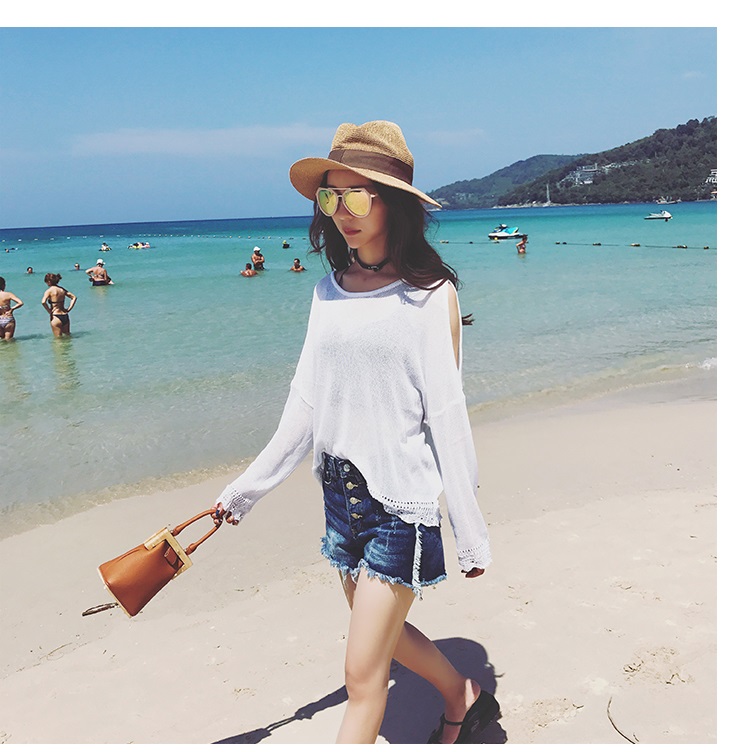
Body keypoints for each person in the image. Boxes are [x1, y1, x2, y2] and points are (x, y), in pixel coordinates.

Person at [212, 121, 498, 744]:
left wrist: (470, 533)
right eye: (330, 197)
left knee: (363, 679)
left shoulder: (430, 296)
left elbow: (447, 416)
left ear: (392, 202)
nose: (342, 211)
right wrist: (244, 491)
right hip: (342, 500)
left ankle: (457, 696)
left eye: (357, 197)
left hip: (401, 508)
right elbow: (305, 406)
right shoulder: (326, 293)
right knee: (384, 642)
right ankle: (461, 693)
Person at [41, 273, 76, 337]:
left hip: (56, 316)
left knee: (58, 340)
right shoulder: (62, 289)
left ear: (49, 281)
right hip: (65, 315)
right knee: (68, 337)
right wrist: (69, 309)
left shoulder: (49, 291)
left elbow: (43, 302)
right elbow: (74, 297)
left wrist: (49, 312)